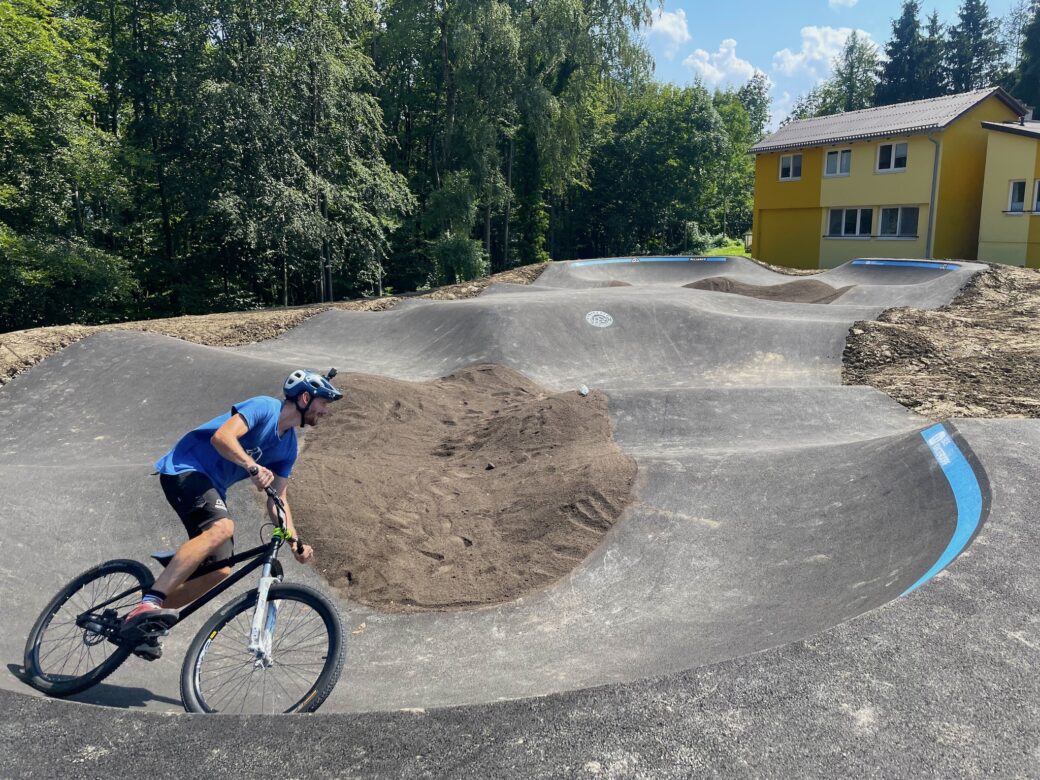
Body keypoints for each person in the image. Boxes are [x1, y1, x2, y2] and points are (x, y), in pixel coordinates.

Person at [119, 369, 343, 659]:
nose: (326, 411)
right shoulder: (264, 407)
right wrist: (252, 466)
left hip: (212, 487)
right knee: (222, 528)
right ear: (304, 397)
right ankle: (150, 600)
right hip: (186, 469)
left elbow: (279, 498)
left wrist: (294, 541)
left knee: (220, 569)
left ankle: (143, 622)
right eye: (324, 403)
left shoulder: (288, 448)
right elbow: (222, 437)